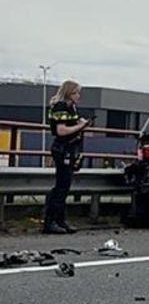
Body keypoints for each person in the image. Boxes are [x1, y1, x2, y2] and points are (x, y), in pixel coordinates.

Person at [44, 80, 90, 234]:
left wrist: (81, 122)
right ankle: (50, 222)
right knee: (61, 185)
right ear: (69, 93)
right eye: (76, 93)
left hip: (71, 147)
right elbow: (61, 130)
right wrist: (80, 126)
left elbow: (72, 123)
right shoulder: (60, 107)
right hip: (62, 148)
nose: (78, 96)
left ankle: (60, 220)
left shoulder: (72, 107)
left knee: (65, 185)